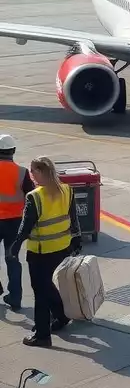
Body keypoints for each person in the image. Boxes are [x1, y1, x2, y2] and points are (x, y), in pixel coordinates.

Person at [9, 156, 81, 347]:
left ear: (40, 172)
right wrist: (77, 239)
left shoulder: (35, 196)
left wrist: (14, 248)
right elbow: (73, 217)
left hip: (41, 252)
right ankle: (61, 315)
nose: (31, 175)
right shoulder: (66, 189)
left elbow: (25, 227)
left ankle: (42, 335)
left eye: (32, 171)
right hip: (62, 248)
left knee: (40, 292)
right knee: (49, 285)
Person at [0, 133, 32, 312]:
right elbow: (32, 196)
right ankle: (15, 298)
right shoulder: (22, 172)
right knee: (12, 259)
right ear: (13, 151)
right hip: (14, 222)